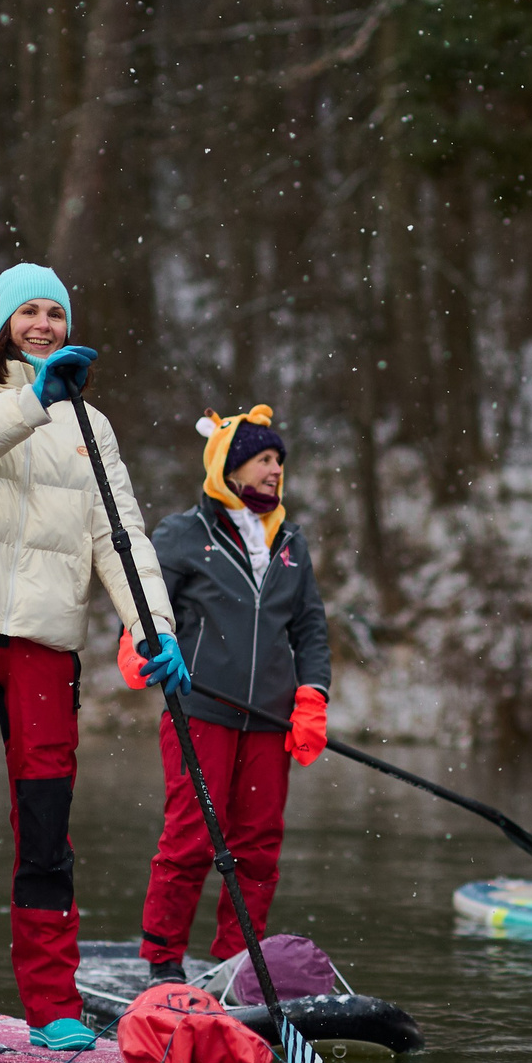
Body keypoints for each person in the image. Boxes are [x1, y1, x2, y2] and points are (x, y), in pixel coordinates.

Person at [0, 262, 185, 1053]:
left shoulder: (93, 426)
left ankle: (53, 1004)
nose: (44, 324)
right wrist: (32, 402)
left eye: (56, 312)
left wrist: (154, 627)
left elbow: (119, 535)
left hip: (45, 642)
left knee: (48, 827)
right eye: (30, 312)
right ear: (4, 323)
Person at [125, 404, 332, 981]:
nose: (275, 470)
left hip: (270, 719)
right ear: (230, 468)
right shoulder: (182, 535)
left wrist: (312, 696)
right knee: (191, 838)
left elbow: (310, 629)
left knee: (259, 846)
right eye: (264, 459)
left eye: (278, 461)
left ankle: (236, 962)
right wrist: (136, 644)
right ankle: (163, 961)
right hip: (199, 710)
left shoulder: (291, 542)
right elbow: (144, 603)